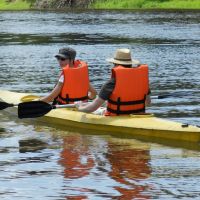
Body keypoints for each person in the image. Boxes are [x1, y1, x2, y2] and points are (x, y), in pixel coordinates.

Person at [78, 48, 151, 115]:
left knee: (91, 109)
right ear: (130, 64)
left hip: (116, 115)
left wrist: (79, 107)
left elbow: (91, 109)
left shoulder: (111, 83)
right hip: (138, 115)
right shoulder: (141, 81)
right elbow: (148, 103)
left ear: (116, 64)